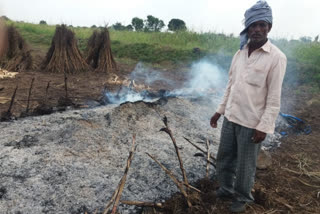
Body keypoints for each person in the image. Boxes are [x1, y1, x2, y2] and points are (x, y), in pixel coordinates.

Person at [210, 1, 287, 213]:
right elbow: (230, 86)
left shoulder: (276, 58)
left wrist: (264, 126)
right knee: (224, 157)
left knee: (245, 165)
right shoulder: (240, 53)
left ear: (269, 27)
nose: (257, 29)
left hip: (251, 123)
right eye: (253, 25)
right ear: (248, 28)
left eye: (262, 25)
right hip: (231, 117)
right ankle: (226, 188)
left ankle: (242, 198)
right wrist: (219, 111)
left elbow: (274, 97)